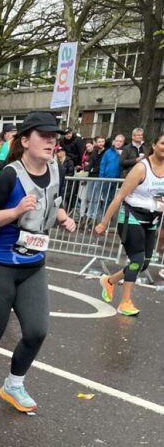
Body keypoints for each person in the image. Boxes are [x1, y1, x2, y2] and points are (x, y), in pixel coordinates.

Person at [0, 111, 76, 413]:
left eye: (54, 137)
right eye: (44, 136)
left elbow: (53, 201)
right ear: (25, 140)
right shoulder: (10, 175)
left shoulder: (55, 169)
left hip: (33, 265)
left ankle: (13, 384)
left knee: (37, 331)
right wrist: (15, 211)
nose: (52, 142)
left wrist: (61, 216)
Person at [95, 130, 164, 317]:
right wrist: (104, 223)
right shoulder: (142, 168)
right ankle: (125, 302)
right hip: (131, 216)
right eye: (163, 144)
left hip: (152, 219)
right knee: (137, 260)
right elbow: (120, 195)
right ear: (154, 145)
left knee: (144, 264)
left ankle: (110, 281)